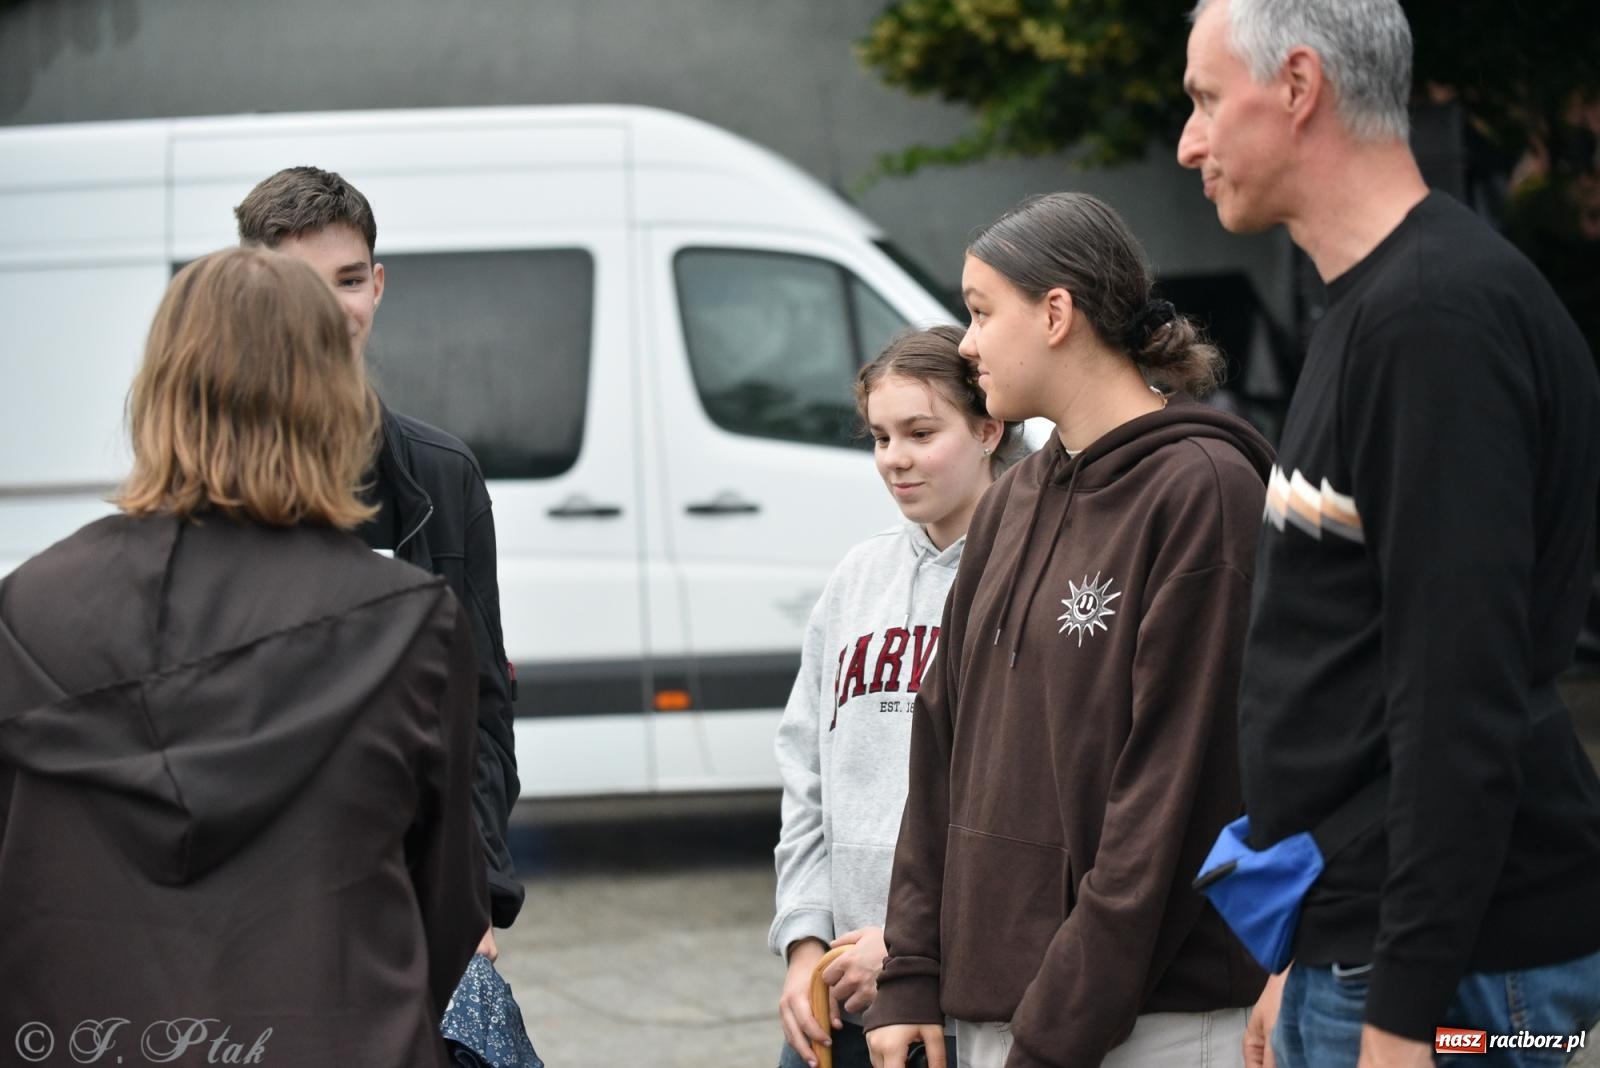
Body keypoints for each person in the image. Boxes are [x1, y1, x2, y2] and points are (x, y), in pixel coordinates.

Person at [1177, 2, 1600, 1065]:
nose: (1189, 143)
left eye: (1203, 99)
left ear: (1298, 85)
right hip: (1366, 946)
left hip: (1456, 971)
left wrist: (1403, 1016)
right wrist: (1299, 953)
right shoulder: (1374, 307)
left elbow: (1459, 698)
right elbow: (1349, 671)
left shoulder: (1433, 322)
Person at [0, 248, 485, 1065]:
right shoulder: (409, 626)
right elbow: (445, 906)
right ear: (333, 399)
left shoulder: (23, 610)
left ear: (157, 392)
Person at [864, 192, 1272, 1068]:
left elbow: (1170, 803)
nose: (964, 342)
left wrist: (1053, 1037)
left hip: (1148, 1024)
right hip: (996, 1018)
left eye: (979, 311)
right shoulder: (1011, 499)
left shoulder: (1203, 489)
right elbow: (941, 746)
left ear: (1057, 313)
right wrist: (911, 974)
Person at [234, 167, 524, 953]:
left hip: (415, 912)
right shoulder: (211, 483)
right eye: (300, 284)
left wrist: (464, 887)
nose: (333, 309)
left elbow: (485, 715)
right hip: (256, 918)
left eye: (350, 279)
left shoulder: (440, 474)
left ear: (379, 285)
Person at [771, 324, 1025, 1068]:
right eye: (881, 437)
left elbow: (1015, 806)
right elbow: (806, 775)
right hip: (836, 990)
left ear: (988, 428)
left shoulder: (1026, 578)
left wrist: (911, 945)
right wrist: (803, 940)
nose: (896, 459)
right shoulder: (856, 578)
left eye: (921, 431)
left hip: (952, 998)